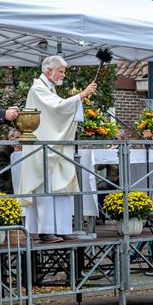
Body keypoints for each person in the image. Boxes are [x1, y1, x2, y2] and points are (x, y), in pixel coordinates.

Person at [18, 55, 97, 243]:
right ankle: (45, 230)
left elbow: (58, 110)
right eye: (61, 71)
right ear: (48, 71)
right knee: (45, 187)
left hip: (52, 145)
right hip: (43, 148)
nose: (63, 74)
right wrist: (82, 95)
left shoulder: (49, 88)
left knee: (58, 186)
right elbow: (58, 107)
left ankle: (61, 228)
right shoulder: (38, 88)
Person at [0, 128, 21, 193]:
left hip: (16, 183)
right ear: (10, 138)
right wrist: (16, 155)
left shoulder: (22, 149)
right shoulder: (1, 151)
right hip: (3, 186)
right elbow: (3, 172)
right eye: (18, 137)